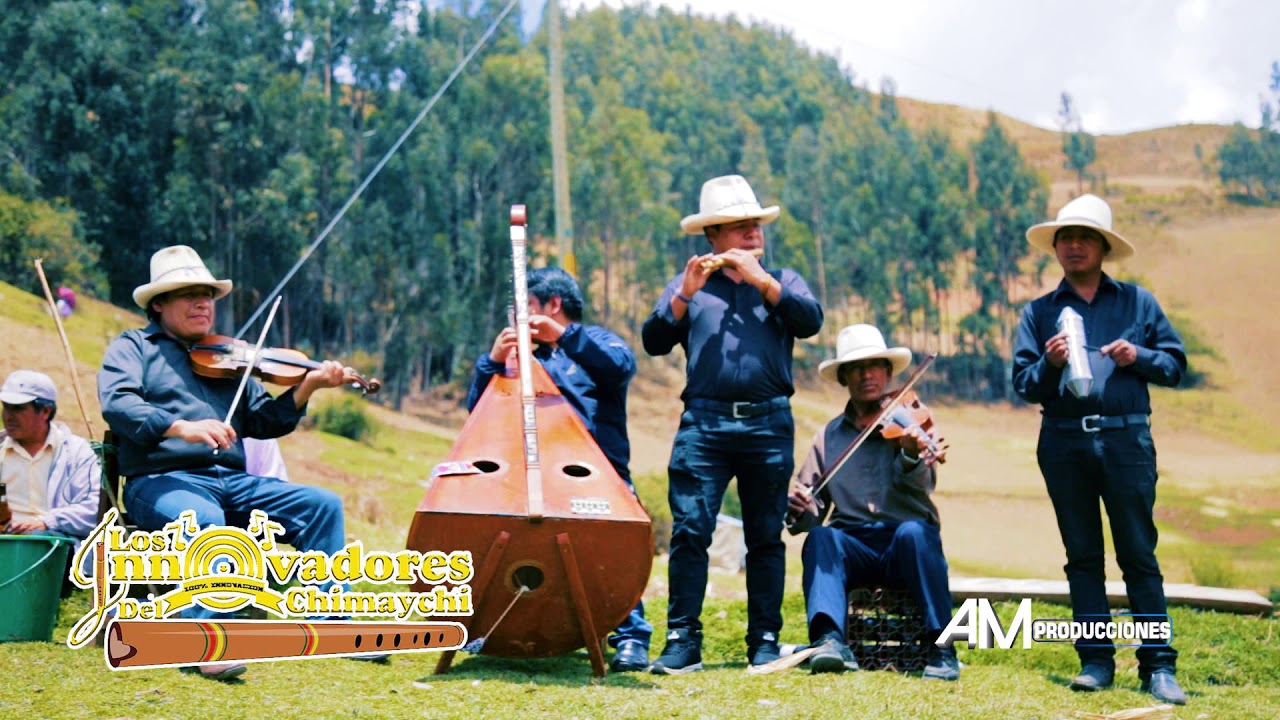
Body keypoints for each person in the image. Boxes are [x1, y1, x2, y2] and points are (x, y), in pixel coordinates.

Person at [98, 245, 379, 681]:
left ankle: (333, 621)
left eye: (207, 294)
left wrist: (307, 389)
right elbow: (118, 404)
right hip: (159, 481)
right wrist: (182, 427)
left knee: (322, 504)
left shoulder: (229, 357)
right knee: (205, 519)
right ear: (159, 304)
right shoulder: (133, 347)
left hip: (230, 479)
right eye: (188, 293)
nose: (202, 303)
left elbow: (263, 421)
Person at [641, 174, 823, 673]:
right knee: (691, 530)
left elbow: (810, 321)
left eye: (756, 224)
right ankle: (683, 641)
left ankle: (764, 641)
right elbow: (654, 339)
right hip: (704, 427)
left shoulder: (783, 280)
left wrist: (763, 281)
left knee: (765, 536)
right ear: (713, 237)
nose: (752, 233)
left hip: (768, 426)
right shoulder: (691, 287)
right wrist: (683, 294)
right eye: (739, 226)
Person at [1013, 194, 1187, 705]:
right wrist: (1048, 364)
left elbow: (1176, 367)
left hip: (1126, 438)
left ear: (1104, 247)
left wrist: (1141, 355)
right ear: (1056, 248)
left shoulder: (1139, 303)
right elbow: (1023, 384)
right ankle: (1095, 662)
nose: (1073, 246)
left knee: (1138, 552)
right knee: (1082, 556)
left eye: (1084, 237)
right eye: (1065, 238)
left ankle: (1158, 666)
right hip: (1063, 442)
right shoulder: (1039, 312)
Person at [466, 266, 652, 672]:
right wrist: (491, 362)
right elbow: (477, 413)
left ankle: (631, 636)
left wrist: (562, 339)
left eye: (526, 308)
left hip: (596, 475)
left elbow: (619, 367)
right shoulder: (512, 357)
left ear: (553, 305)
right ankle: (492, 626)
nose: (517, 319)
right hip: (523, 474)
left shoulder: (595, 341)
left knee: (613, 544)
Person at [785, 325, 958, 679]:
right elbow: (808, 515)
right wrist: (799, 508)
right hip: (854, 546)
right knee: (821, 538)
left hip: (904, 542)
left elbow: (926, 484)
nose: (867, 375)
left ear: (888, 372)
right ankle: (830, 642)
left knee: (915, 533)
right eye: (856, 368)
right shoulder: (828, 437)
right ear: (844, 378)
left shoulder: (909, 421)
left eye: (875, 366)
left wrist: (910, 455)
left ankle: (942, 649)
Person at [1, 370, 102, 565]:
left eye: (18, 408)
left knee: (41, 541)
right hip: (3, 541)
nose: (8, 416)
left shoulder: (76, 452)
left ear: (45, 411)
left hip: (53, 545)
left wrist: (48, 521)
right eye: (6, 407)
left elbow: (93, 508)